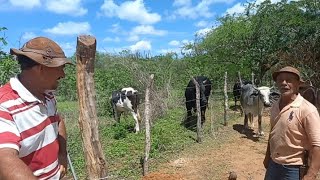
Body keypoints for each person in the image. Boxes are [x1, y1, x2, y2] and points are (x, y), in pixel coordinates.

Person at [0, 36, 73, 179]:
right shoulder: (5, 105)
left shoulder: (48, 95)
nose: (63, 75)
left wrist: (62, 155)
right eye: (60, 68)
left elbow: (57, 121)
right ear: (41, 68)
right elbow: (4, 158)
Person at [263, 66, 320, 180]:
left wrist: (312, 173)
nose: (284, 83)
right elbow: (273, 133)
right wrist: (267, 156)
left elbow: (317, 145)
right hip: (274, 164)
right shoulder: (275, 106)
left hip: (294, 169)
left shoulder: (307, 110)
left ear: (298, 84)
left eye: (289, 80)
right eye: (280, 80)